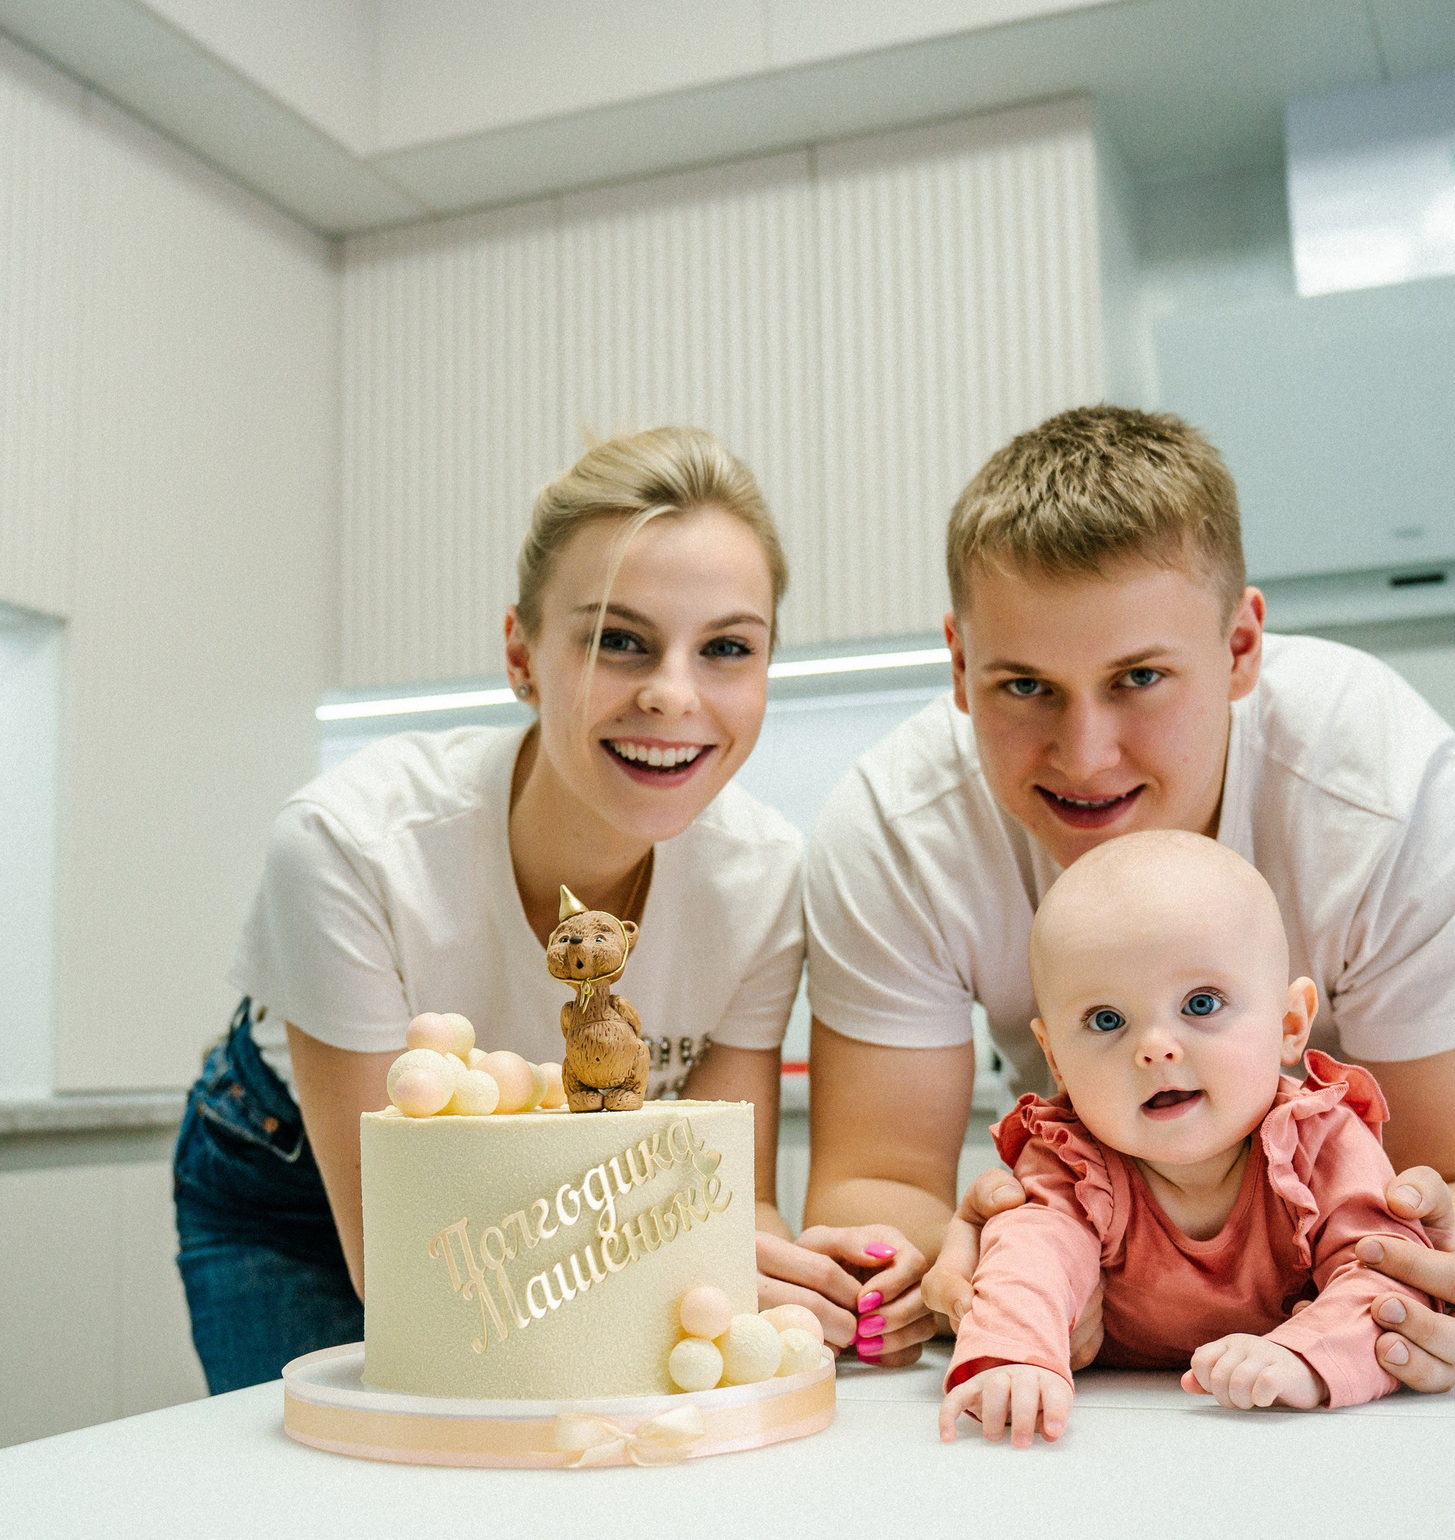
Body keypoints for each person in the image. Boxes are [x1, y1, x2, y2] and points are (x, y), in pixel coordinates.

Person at [804, 405, 1455, 1384]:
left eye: (1140, 678)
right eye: (1023, 688)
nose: (1083, 754)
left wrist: (1431, 1282)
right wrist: (982, 1274)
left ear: (1242, 646)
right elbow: (876, 1188)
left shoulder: (1384, 792)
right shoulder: (896, 833)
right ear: (957, 663)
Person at [173, 426, 908, 1393]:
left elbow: (732, 1199)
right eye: (618, 640)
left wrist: (811, 1284)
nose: (673, 694)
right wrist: (699, 1251)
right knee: (354, 1495)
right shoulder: (349, 845)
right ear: (522, 653)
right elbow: (402, 1271)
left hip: (581, 1216)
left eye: (728, 647)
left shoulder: (763, 880)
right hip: (303, 1189)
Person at [937, 831, 1435, 1446]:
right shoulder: (1071, 1158)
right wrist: (1013, 1355)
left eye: (1201, 1003)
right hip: (1127, 1437)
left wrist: (1307, 1358)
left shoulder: (1322, 1140)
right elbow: (1029, 1259)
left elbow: (1386, 1274)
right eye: (1106, 1020)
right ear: (1056, 1060)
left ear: (1290, 1025)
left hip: (1279, 1446)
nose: (1155, 1048)